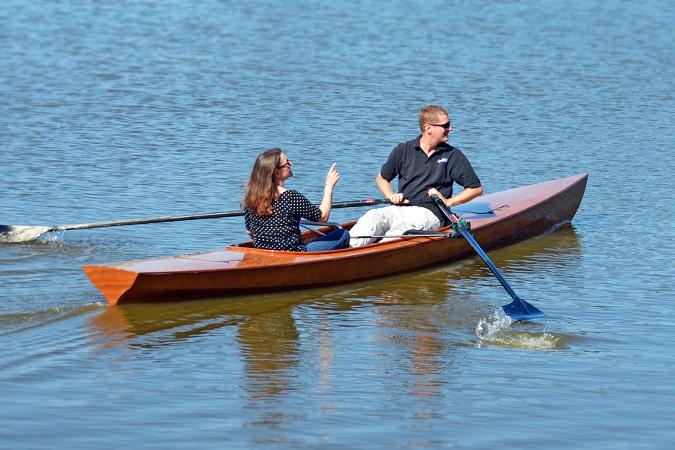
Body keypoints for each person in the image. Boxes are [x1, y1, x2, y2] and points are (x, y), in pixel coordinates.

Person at [349, 105, 483, 247]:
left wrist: (449, 202)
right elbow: (381, 178)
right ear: (428, 128)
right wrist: (391, 195)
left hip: (431, 213)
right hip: (400, 208)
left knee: (403, 228)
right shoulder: (403, 150)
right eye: (446, 125)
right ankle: (344, 251)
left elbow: (476, 189)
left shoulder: (453, 155)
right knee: (372, 216)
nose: (450, 128)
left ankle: (374, 257)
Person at [243, 148, 350, 252]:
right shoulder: (290, 197)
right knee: (343, 234)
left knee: (308, 238)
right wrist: (329, 185)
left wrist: (270, 242)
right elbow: (322, 217)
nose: (291, 163)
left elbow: (250, 231)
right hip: (294, 255)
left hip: (263, 255)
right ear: (276, 173)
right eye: (287, 163)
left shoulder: (251, 197)